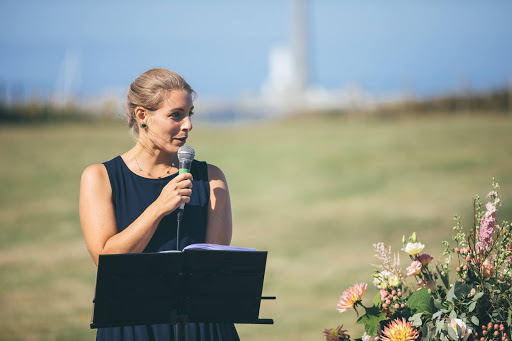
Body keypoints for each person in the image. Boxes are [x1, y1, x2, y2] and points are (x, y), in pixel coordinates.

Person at [79, 68, 239, 341]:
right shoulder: (99, 178)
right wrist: (158, 208)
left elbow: (213, 266)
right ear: (142, 116)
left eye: (190, 114)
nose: (188, 124)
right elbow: (107, 263)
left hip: (201, 326)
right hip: (132, 326)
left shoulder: (211, 179)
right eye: (176, 115)